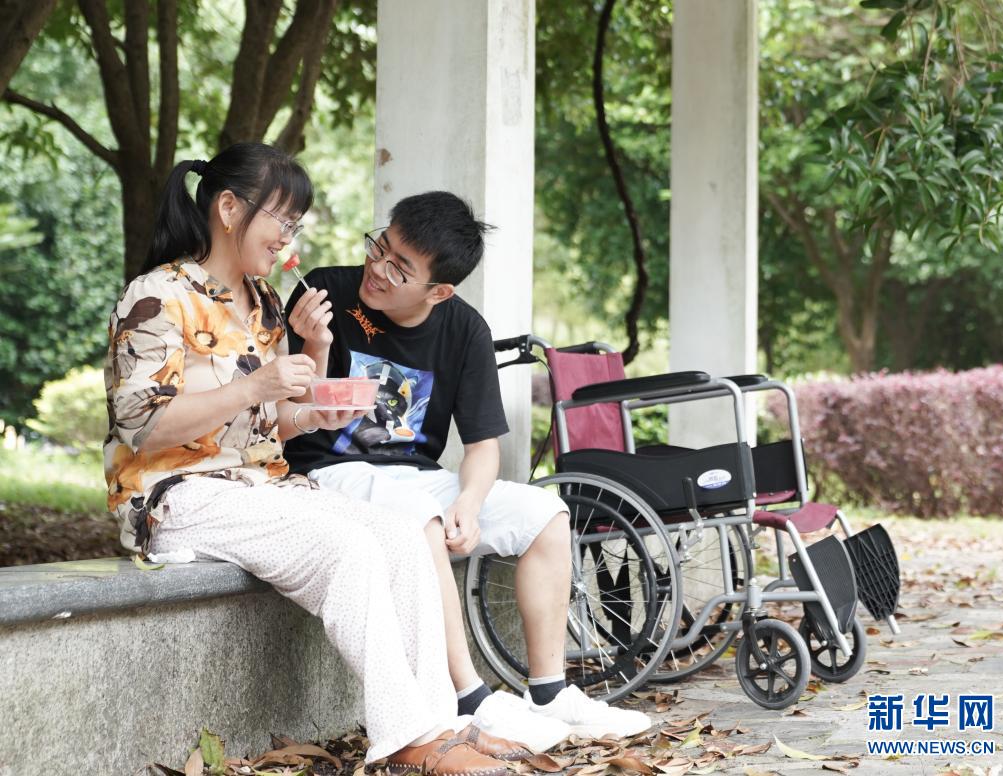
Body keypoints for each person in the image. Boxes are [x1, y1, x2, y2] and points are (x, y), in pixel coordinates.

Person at [103, 145, 526, 776]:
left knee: (404, 538)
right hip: (176, 495)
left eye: (295, 225)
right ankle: (406, 738)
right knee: (348, 549)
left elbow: (268, 421)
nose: (288, 238)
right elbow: (142, 426)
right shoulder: (158, 295)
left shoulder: (263, 300)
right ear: (229, 209)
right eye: (283, 220)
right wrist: (253, 386)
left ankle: (443, 725)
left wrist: (310, 415)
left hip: (260, 488)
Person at [283, 191, 652, 750]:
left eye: (400, 268)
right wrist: (314, 343)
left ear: (439, 291)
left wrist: (470, 504)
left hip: (413, 473)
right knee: (423, 517)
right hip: (329, 470)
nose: (377, 269)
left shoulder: (465, 330)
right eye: (380, 247)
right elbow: (288, 410)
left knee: (546, 513)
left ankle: (549, 692)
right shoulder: (324, 292)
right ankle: (469, 698)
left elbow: (483, 447)